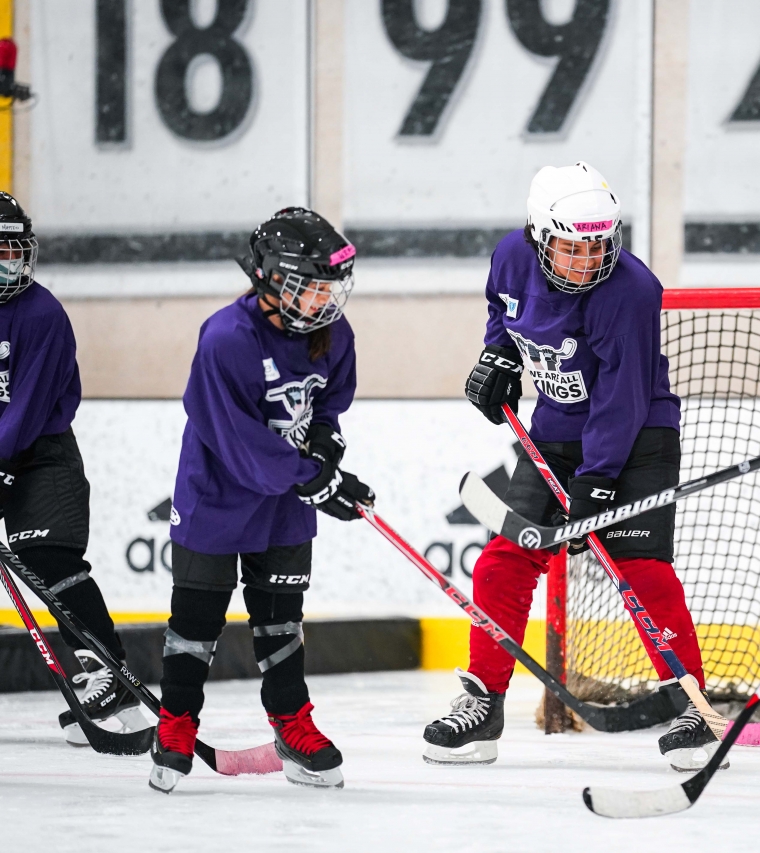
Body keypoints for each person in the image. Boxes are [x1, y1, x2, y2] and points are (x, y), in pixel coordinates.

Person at [424, 162, 715, 771]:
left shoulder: (631, 289)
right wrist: (496, 359)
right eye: (571, 247)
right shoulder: (510, 257)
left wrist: (599, 482)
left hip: (637, 437)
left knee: (641, 572)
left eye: (597, 245)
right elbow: (503, 317)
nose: (586, 259)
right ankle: (483, 705)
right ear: (537, 235)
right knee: (503, 563)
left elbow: (623, 396)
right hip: (557, 431)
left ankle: (691, 707)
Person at [149, 207, 374, 793]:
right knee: (196, 621)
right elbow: (240, 443)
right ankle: (175, 724)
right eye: (309, 285)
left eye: (330, 285)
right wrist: (316, 480)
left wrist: (326, 448)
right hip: (218, 494)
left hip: (286, 500)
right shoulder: (228, 338)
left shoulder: (331, 332)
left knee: (280, 622)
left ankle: (292, 724)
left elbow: (328, 404)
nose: (324, 299)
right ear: (270, 279)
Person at [0, 192, 148, 744]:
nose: (5, 261)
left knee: (48, 559)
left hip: (41, 455)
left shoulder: (42, 314)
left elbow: (29, 408)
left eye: (12, 250)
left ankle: (107, 674)